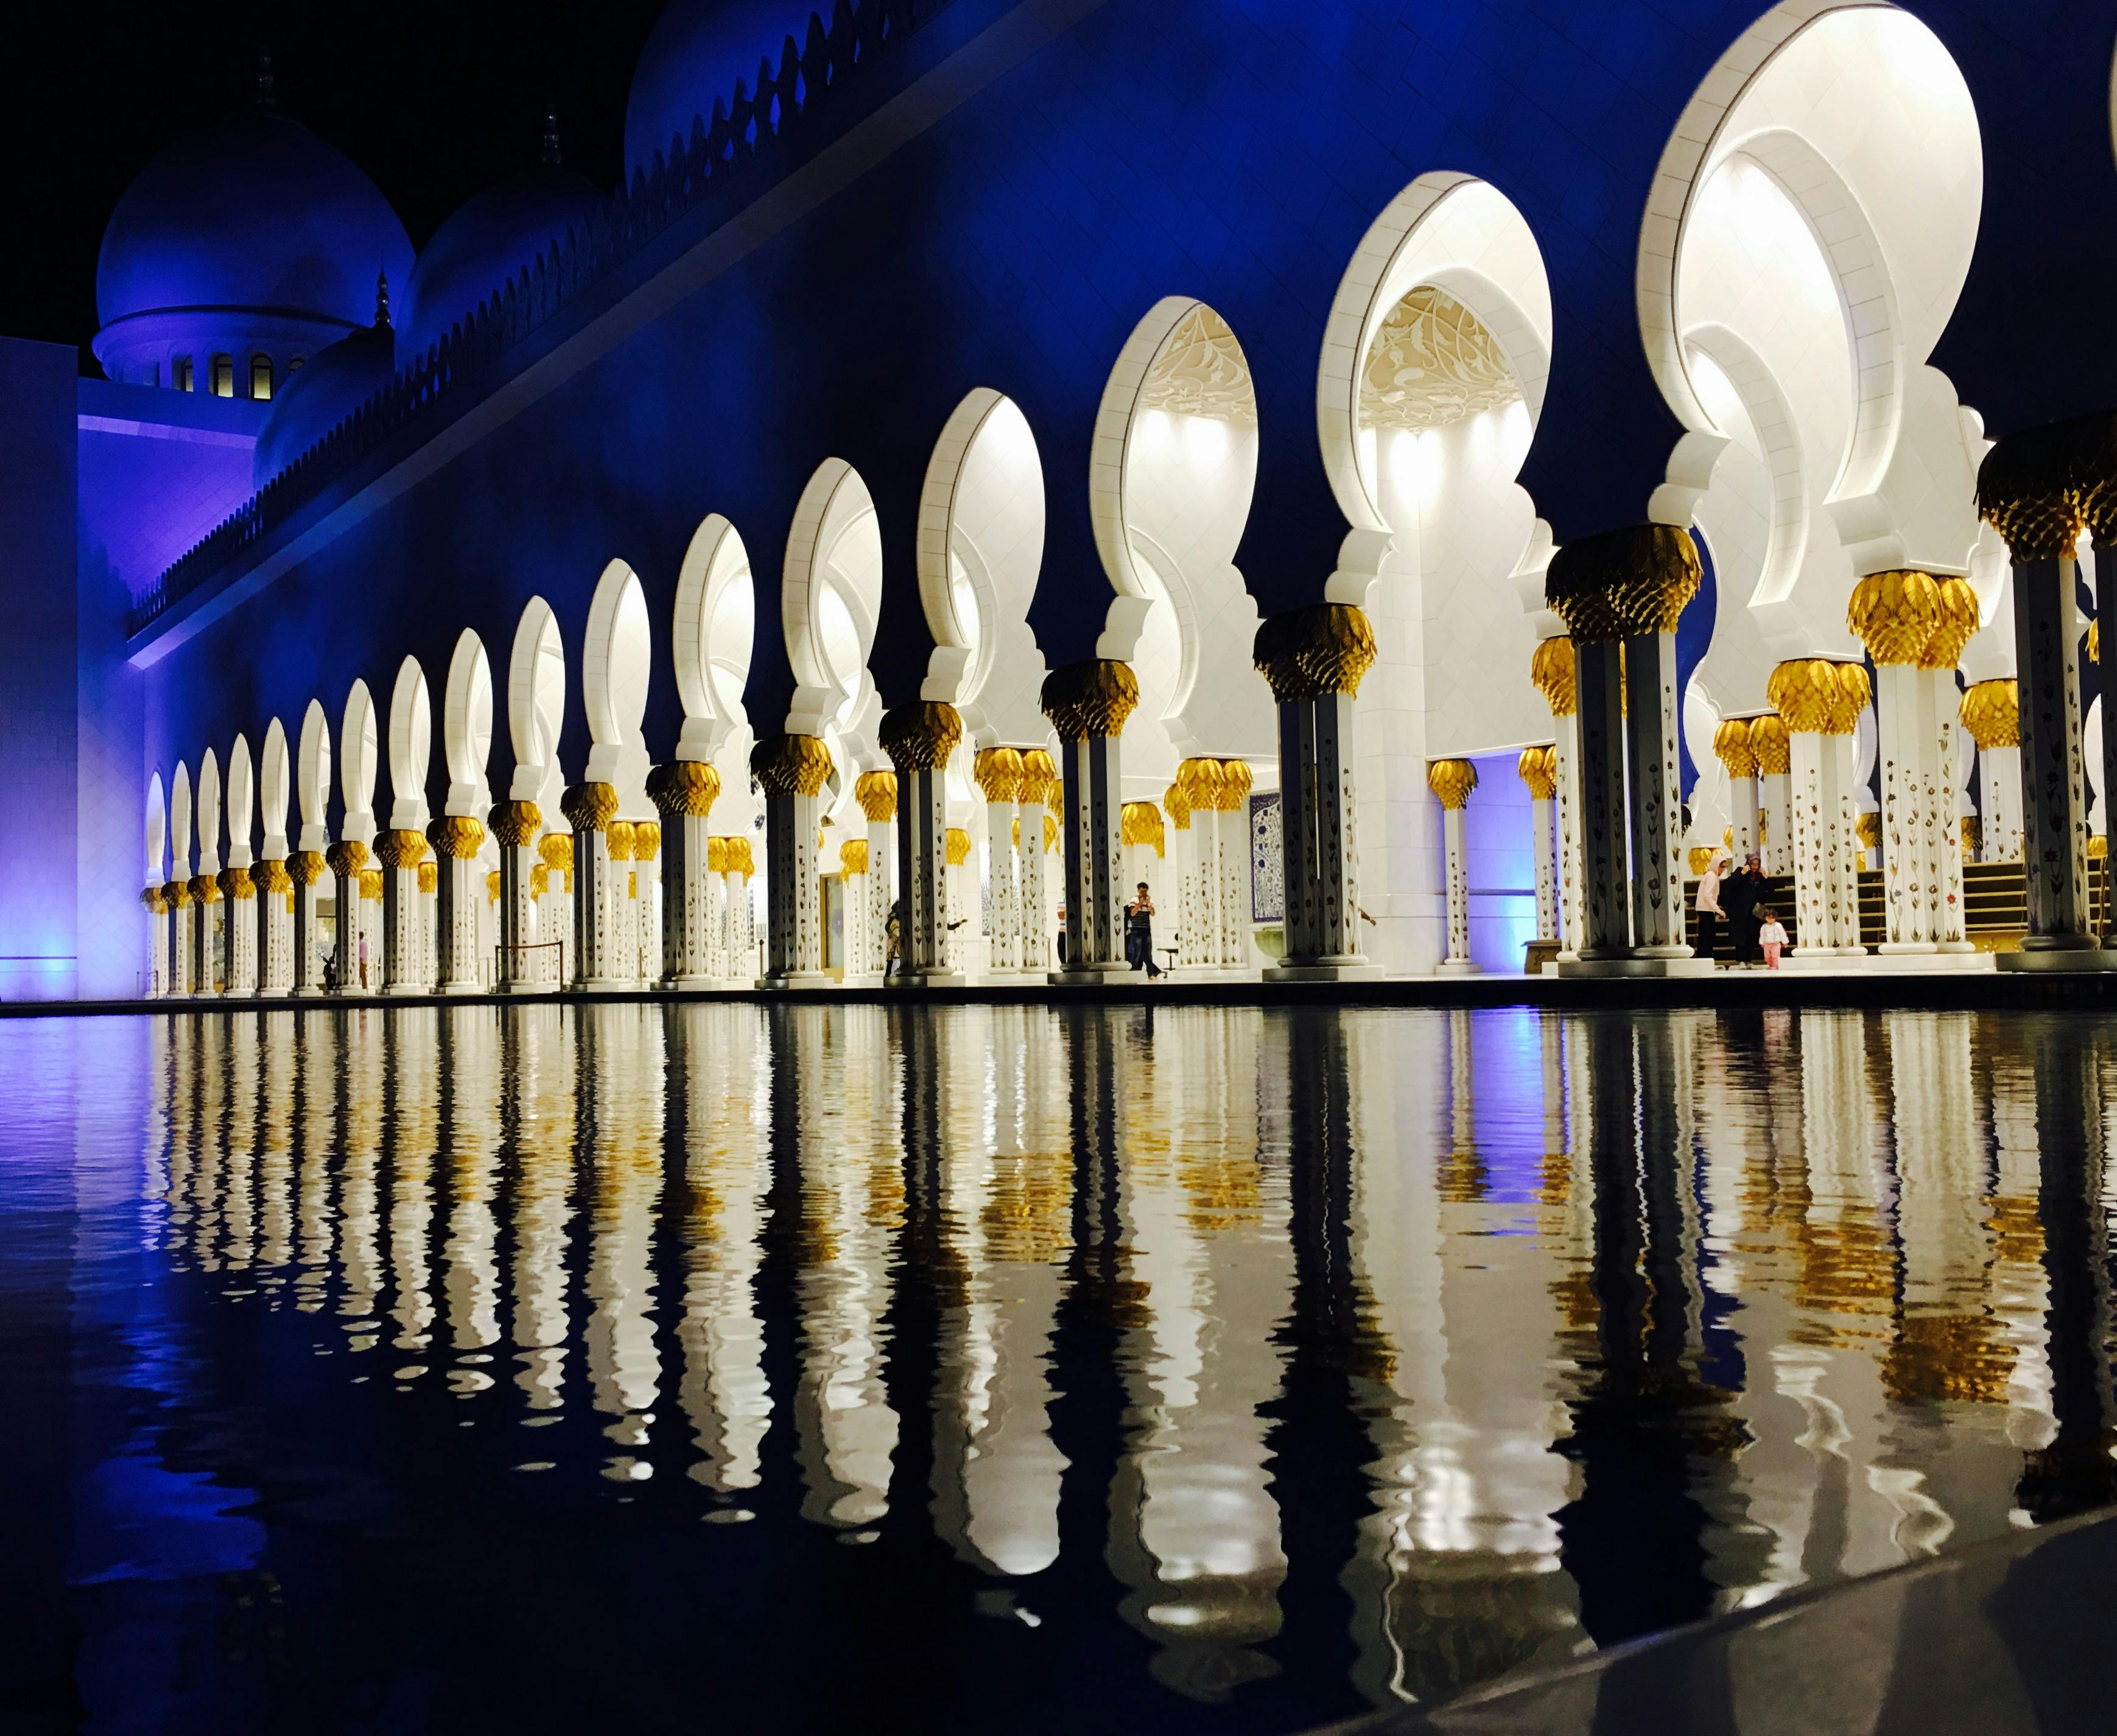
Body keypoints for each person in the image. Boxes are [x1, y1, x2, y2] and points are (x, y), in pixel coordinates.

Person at [1722, 852, 1763, 968]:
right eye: (1753, 864)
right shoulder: (1741, 871)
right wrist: (1741, 873)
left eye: (1757, 865)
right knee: (1740, 937)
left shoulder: (1759, 876)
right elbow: (1730, 884)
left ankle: (1749, 960)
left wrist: (1766, 878)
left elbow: (1768, 890)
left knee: (1751, 936)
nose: (1755, 867)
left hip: (1753, 912)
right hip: (1739, 911)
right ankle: (1741, 960)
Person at [1693, 849, 1729, 964]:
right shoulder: (1712, 876)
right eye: (1721, 866)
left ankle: (1704, 959)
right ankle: (1705, 959)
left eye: (1724, 867)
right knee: (1707, 937)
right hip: (1706, 911)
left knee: (1706, 936)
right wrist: (1718, 910)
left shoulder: (1711, 876)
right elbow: (1708, 896)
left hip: (1706, 910)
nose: (1723, 869)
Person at [1125, 883, 1162, 978]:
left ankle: (1151, 973)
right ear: (1138, 891)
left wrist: (1149, 904)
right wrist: (1140, 903)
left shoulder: (1149, 901)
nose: (1144, 894)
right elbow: (1133, 913)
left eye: (1145, 892)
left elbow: (1153, 913)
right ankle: (1136, 972)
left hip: (1146, 929)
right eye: (1142, 892)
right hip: (1137, 930)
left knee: (1148, 953)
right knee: (1137, 952)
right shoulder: (1134, 900)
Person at [1758, 906, 1789, 970]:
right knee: (1767, 957)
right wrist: (1762, 942)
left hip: (1776, 944)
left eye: (1772, 918)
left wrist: (1785, 942)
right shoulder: (1764, 927)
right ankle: (1770, 964)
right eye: (1769, 918)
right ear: (1765, 918)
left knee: (1775, 956)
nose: (1771, 919)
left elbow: (1782, 934)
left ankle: (1775, 966)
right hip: (1767, 944)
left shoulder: (1778, 925)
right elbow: (1762, 935)